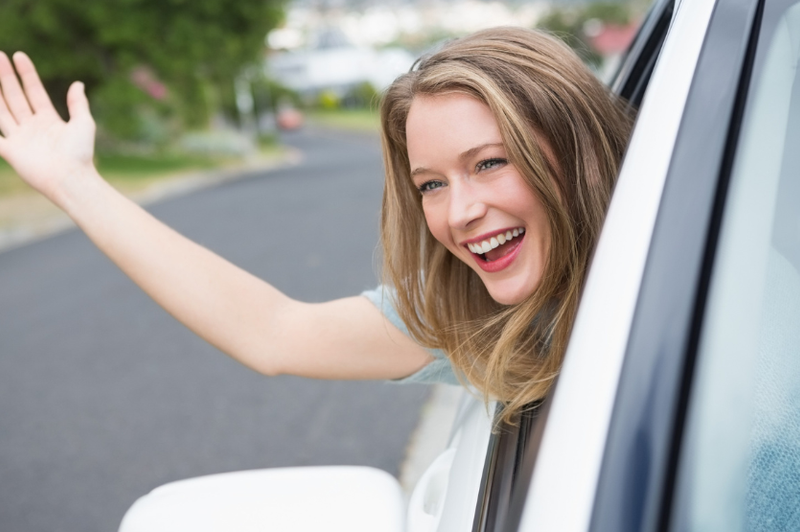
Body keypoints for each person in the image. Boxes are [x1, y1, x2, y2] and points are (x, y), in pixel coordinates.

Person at [0, 27, 632, 425]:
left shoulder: (690, 274)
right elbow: (275, 332)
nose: (458, 213)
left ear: (578, 150)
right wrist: (72, 183)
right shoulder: (468, 318)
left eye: (490, 163)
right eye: (431, 185)